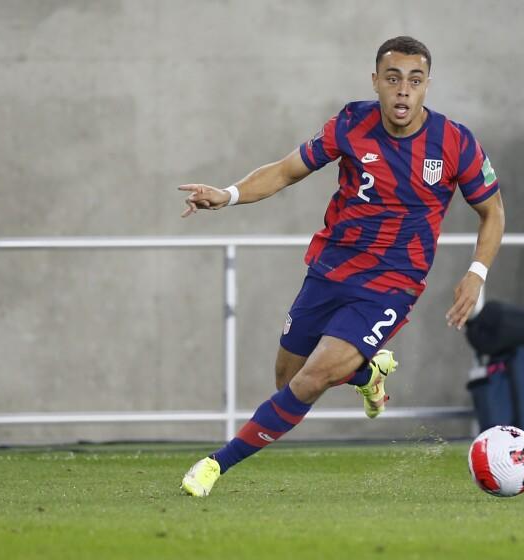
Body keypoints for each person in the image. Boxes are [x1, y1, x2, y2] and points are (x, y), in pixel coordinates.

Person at [177, 36, 505, 497]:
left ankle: (216, 463)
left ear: (428, 85)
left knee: (313, 379)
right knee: (287, 379)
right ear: (376, 82)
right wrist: (228, 195)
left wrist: (476, 273)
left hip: (392, 283)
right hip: (331, 269)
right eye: (393, 79)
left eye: (414, 81)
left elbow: (493, 212)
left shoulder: (454, 143)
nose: (403, 91)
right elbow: (287, 170)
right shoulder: (351, 122)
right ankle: (368, 374)